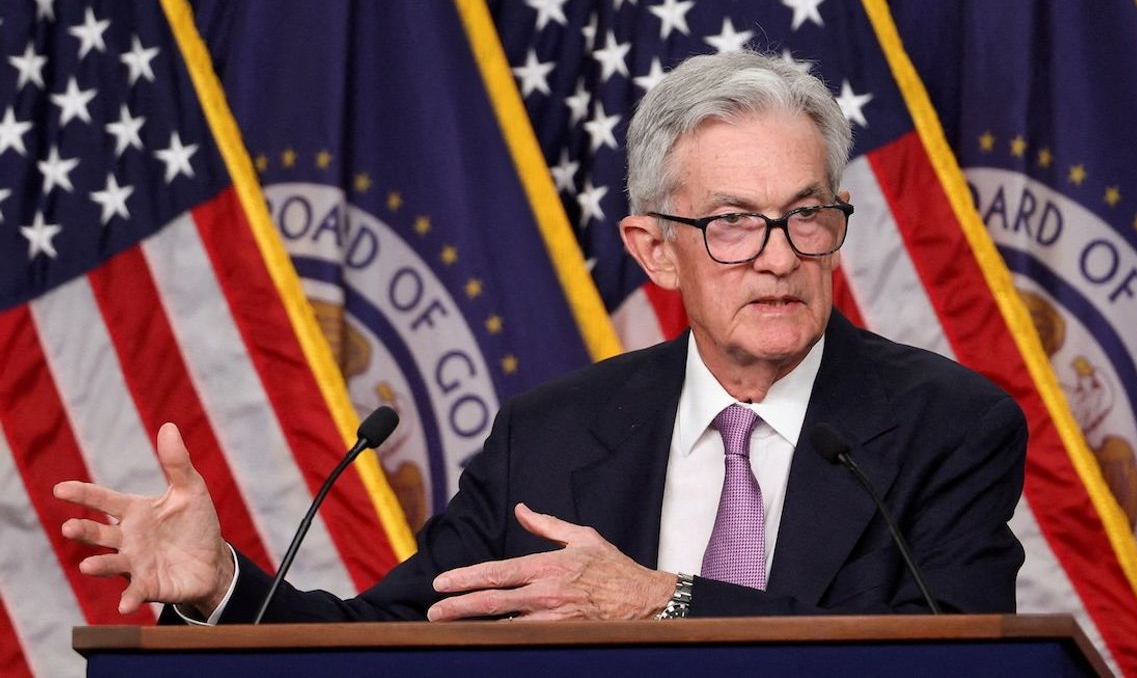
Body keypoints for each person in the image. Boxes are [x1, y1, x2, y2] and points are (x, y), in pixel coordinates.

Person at [54, 50, 1025, 624]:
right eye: (732, 222)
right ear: (654, 249)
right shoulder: (550, 438)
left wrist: (663, 600)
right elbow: (390, 639)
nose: (778, 256)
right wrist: (222, 585)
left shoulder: (950, 425)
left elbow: (953, 650)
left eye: (806, 215)